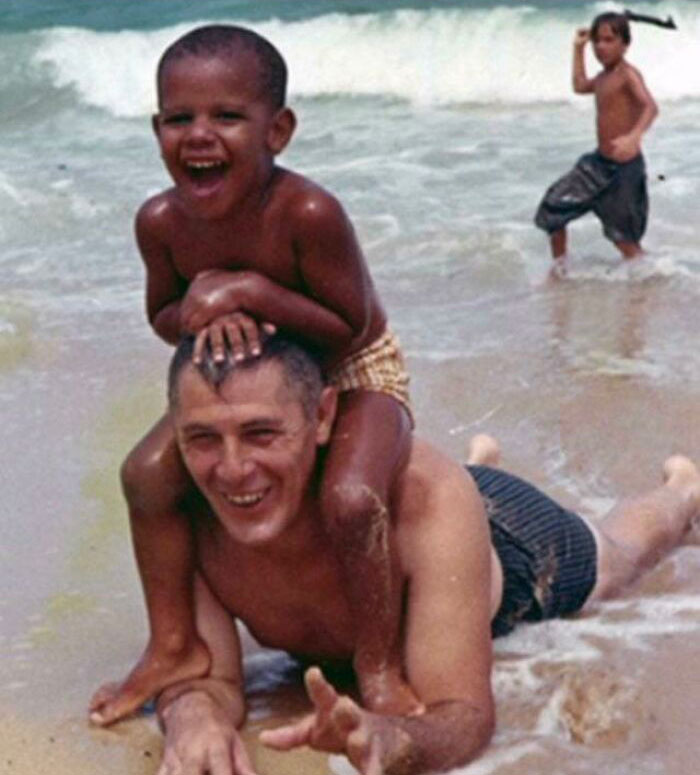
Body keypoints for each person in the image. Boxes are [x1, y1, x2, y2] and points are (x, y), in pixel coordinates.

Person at [151, 332, 700, 775]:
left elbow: (463, 715)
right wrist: (193, 718)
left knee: (617, 559)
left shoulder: (424, 503)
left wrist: (394, 741)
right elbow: (206, 675)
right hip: (436, 514)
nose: (232, 469)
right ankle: (481, 462)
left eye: (261, 433)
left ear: (322, 418)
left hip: (509, 542)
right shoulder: (184, 514)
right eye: (202, 439)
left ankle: (679, 493)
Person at [89, 25, 417, 726]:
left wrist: (246, 290)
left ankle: (379, 664)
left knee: (353, 497)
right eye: (180, 118)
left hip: (354, 369)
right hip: (249, 383)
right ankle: (174, 642)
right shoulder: (160, 222)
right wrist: (203, 305)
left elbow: (350, 325)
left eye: (228, 117)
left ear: (279, 129)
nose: (200, 135)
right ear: (156, 130)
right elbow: (163, 314)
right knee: (146, 474)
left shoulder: (306, 212)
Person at [534, 12, 658, 272]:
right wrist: (578, 49)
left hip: (624, 171)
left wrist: (633, 136)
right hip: (597, 166)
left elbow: (650, 107)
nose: (601, 47)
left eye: (609, 40)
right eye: (596, 41)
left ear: (625, 44)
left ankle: (647, 284)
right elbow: (579, 86)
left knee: (624, 240)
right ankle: (560, 271)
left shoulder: (627, 75)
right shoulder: (603, 77)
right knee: (554, 208)